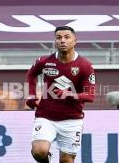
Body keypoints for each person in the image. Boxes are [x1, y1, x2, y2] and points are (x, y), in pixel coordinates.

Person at [25, 26, 96, 163]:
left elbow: (90, 96)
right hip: (46, 116)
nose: (62, 40)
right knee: (39, 152)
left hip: (72, 120)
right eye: (59, 37)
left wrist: (68, 94)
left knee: (66, 160)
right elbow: (31, 74)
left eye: (66, 37)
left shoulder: (85, 66)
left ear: (75, 41)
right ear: (55, 41)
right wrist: (32, 95)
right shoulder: (44, 61)